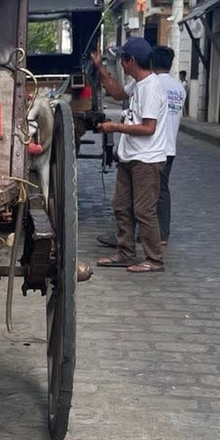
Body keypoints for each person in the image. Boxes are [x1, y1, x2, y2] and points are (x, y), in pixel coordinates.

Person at [90, 37, 168, 273]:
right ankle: (125, 252)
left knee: (144, 210)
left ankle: (154, 259)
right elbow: (116, 92)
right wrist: (100, 68)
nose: (121, 65)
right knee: (121, 206)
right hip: (130, 157)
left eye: (122, 60)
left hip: (147, 159)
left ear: (131, 61)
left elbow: (148, 128)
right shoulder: (138, 85)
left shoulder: (152, 88)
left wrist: (115, 127)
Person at [151, 46, 187, 244]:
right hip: (170, 147)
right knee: (162, 189)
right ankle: (162, 233)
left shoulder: (153, 84)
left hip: (153, 147)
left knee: (146, 192)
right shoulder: (179, 88)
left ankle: (151, 234)